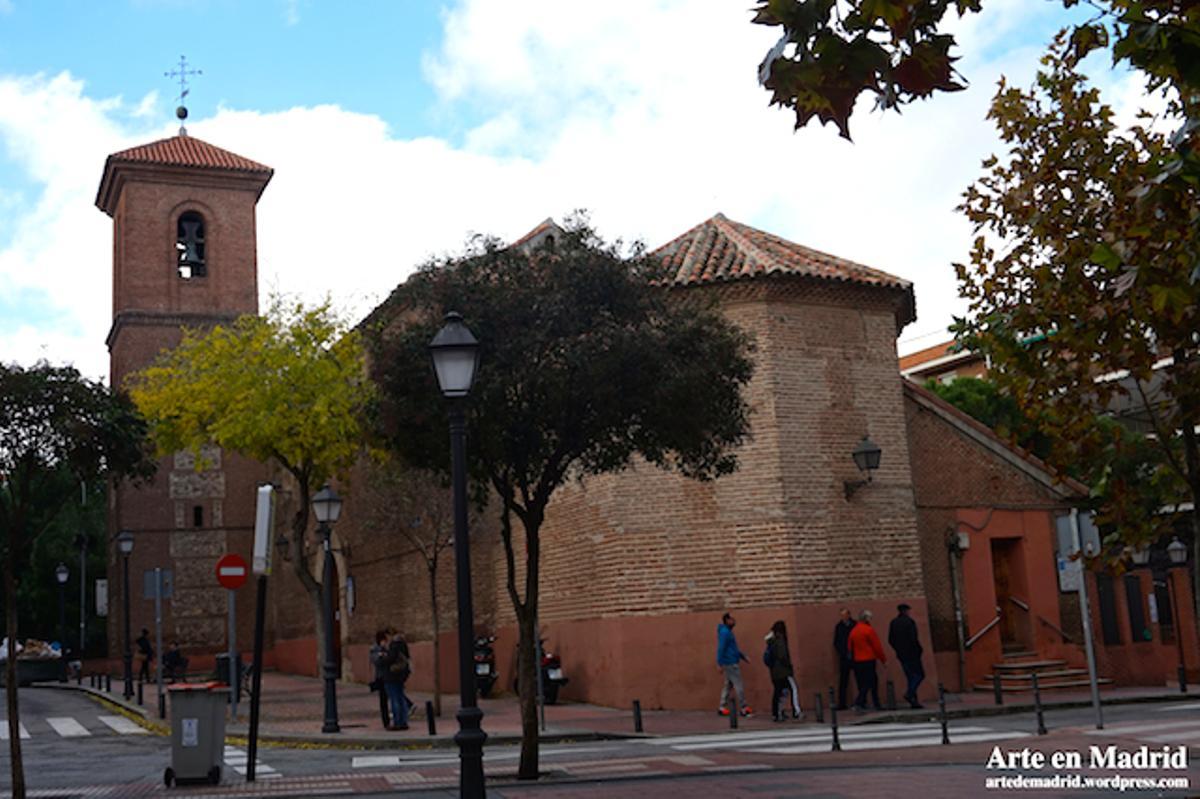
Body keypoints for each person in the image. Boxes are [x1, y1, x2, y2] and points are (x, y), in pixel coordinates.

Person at [847, 610, 886, 712]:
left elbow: (849, 647)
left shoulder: (853, 631)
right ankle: (865, 702)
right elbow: (877, 647)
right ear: (866, 619)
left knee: (862, 683)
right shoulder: (868, 630)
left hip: (857, 661)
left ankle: (863, 702)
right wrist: (883, 659)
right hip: (868, 659)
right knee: (872, 682)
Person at [888, 603, 925, 709]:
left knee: (910, 676)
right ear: (906, 611)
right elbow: (913, 638)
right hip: (912, 654)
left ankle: (913, 701)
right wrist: (918, 650)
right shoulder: (909, 622)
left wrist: (898, 650)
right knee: (919, 675)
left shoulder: (894, 623)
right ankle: (910, 693)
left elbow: (890, 640)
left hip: (901, 654)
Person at [716, 612, 753, 717]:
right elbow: (721, 648)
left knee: (728, 685)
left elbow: (733, 648)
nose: (734, 621)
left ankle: (722, 707)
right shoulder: (725, 633)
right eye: (732, 619)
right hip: (731, 663)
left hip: (730, 662)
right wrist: (719, 663)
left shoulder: (727, 632)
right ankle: (743, 707)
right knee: (738, 685)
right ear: (727, 620)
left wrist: (743, 657)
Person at [764, 621, 801, 721]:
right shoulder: (780, 641)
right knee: (793, 689)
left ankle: (777, 713)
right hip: (784, 671)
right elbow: (783, 656)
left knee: (779, 692)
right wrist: (789, 666)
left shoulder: (771, 641)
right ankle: (796, 712)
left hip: (774, 672)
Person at [381, 628, 411, 730]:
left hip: (392, 675)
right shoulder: (403, 644)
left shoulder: (394, 645)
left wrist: (383, 656)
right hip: (401, 675)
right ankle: (404, 721)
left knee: (394, 699)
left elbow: (390, 659)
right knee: (400, 697)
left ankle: (398, 722)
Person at [832, 608, 857, 710]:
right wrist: (843, 652)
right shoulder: (839, 627)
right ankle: (842, 703)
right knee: (843, 681)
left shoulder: (855, 625)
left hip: (855, 655)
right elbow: (836, 642)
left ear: (849, 615)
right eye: (842, 615)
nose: (843, 617)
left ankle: (860, 701)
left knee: (859, 678)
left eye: (845, 615)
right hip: (844, 657)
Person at [370, 629, 391, 729]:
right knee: (383, 700)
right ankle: (386, 721)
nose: (385, 642)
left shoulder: (386, 649)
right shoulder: (375, 649)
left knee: (391, 696)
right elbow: (376, 661)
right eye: (384, 640)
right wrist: (381, 655)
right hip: (381, 677)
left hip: (389, 676)